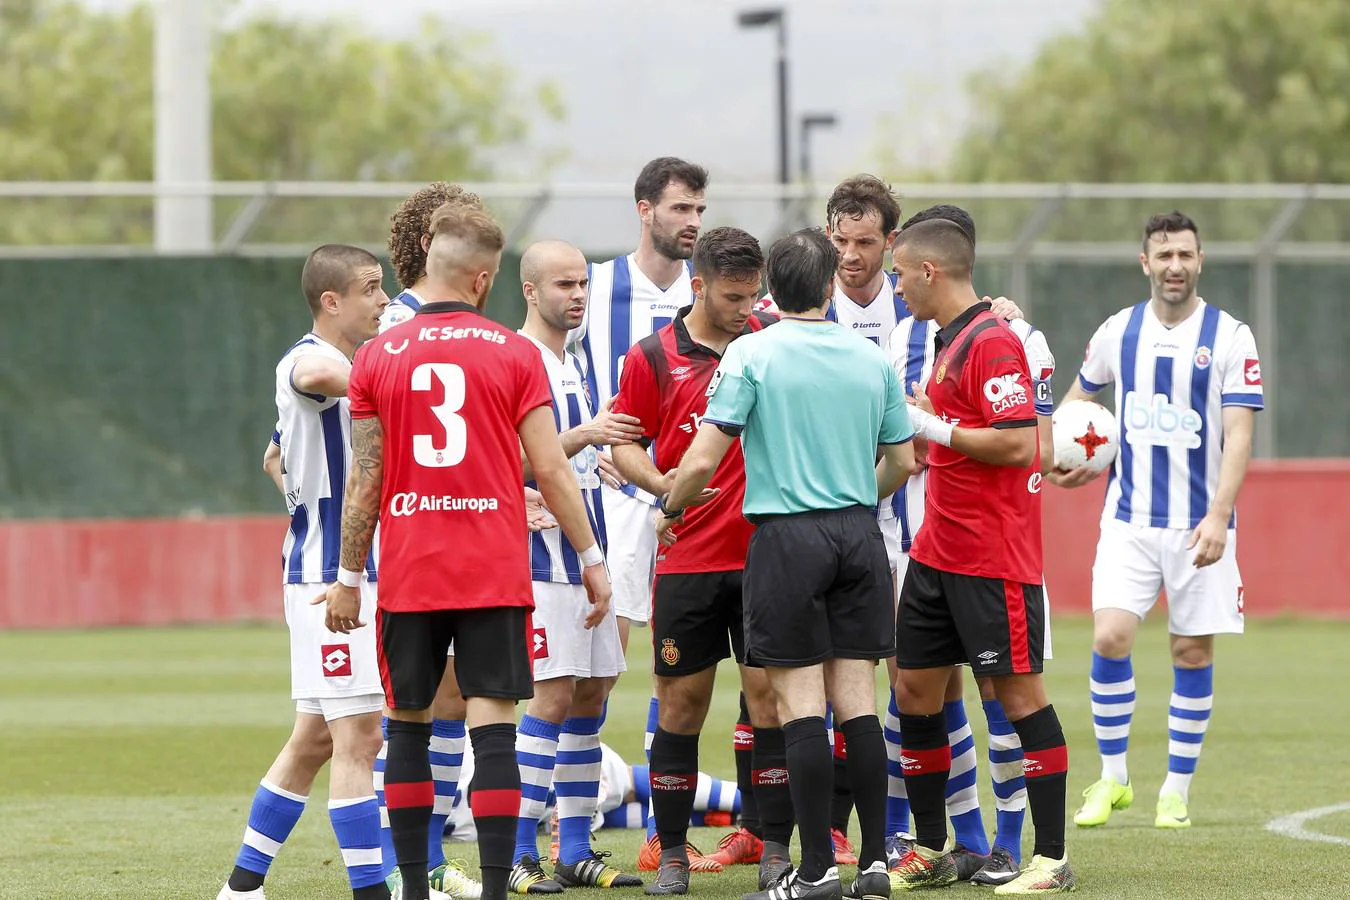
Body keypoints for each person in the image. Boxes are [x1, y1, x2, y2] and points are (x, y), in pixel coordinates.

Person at [318, 202, 612, 900]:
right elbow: (552, 469)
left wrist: (347, 577)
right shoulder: (515, 354)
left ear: (426, 261)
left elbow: (367, 479)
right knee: (495, 731)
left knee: (410, 729)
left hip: (412, 572)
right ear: (485, 280)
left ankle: (415, 890)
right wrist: (592, 559)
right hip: (494, 571)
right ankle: (492, 889)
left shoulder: (376, 356)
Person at [662, 228, 917, 900]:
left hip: (786, 538)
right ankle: (872, 867)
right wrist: (856, 498)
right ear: (831, 285)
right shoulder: (870, 358)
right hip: (858, 534)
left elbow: (703, 458)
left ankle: (814, 872)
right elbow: (903, 461)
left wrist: (671, 509)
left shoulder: (751, 352)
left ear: (773, 288)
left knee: (801, 705)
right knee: (858, 704)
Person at [1054, 211, 1261, 831]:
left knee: (1190, 652)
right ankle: (1113, 779)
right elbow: (1078, 401)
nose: (1175, 266)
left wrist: (1220, 516)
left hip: (1201, 522)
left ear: (1201, 262)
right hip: (1129, 520)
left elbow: (1240, 433)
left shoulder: (1230, 337)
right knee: (1110, 637)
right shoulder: (1120, 331)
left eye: (1185, 255)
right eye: (1164, 255)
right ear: (1145, 262)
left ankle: (1175, 789)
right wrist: (1071, 454)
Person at [889, 217, 1074, 895]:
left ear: (931, 272)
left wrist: (929, 423)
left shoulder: (992, 343)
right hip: (936, 552)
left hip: (992, 557)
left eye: (902, 273)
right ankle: (935, 847)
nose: (898, 286)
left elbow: (1022, 443)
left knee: (1018, 696)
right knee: (913, 690)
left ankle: (1051, 859)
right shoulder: (950, 343)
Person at [608, 227, 793, 895]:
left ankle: (775, 850)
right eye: (732, 297)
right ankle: (676, 855)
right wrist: (662, 487)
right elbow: (626, 440)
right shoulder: (651, 357)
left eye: (753, 296)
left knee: (769, 702)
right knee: (680, 707)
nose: (747, 309)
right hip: (687, 562)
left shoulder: (773, 340)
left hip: (766, 557)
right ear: (698, 286)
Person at [219, 244, 391, 900]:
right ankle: (372, 892)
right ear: (331, 301)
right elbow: (317, 376)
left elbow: (274, 457)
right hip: (333, 574)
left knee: (317, 738)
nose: (381, 300)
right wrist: (405, 362)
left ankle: (241, 889)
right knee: (361, 736)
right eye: (371, 289)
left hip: (333, 567)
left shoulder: (352, 363)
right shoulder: (309, 360)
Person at [507, 240, 644, 893]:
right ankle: (515, 851)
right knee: (550, 695)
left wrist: (597, 462)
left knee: (591, 694)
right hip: (540, 559)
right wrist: (585, 438)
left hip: (588, 549)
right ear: (530, 290)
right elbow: (508, 455)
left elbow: (560, 458)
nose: (579, 295)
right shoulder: (518, 359)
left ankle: (575, 848)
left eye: (583, 283)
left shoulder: (573, 361)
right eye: (564, 284)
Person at [373, 180, 486, 900]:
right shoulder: (391, 325)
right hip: (411, 540)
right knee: (402, 709)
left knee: (447, 698)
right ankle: (398, 860)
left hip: (453, 536)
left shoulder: (449, 325)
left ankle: (426, 854)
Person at [570, 157, 708, 652]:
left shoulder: (708, 290)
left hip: (697, 491)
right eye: (680, 208)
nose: (693, 220)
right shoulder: (595, 285)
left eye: (698, 209)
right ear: (645, 211)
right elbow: (542, 368)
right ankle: (586, 735)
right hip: (618, 492)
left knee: (677, 663)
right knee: (604, 660)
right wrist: (587, 443)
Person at [445, 742, 743, 844]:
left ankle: (744, 804)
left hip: (546, 794)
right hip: (546, 804)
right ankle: (722, 814)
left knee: (623, 785)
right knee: (616, 802)